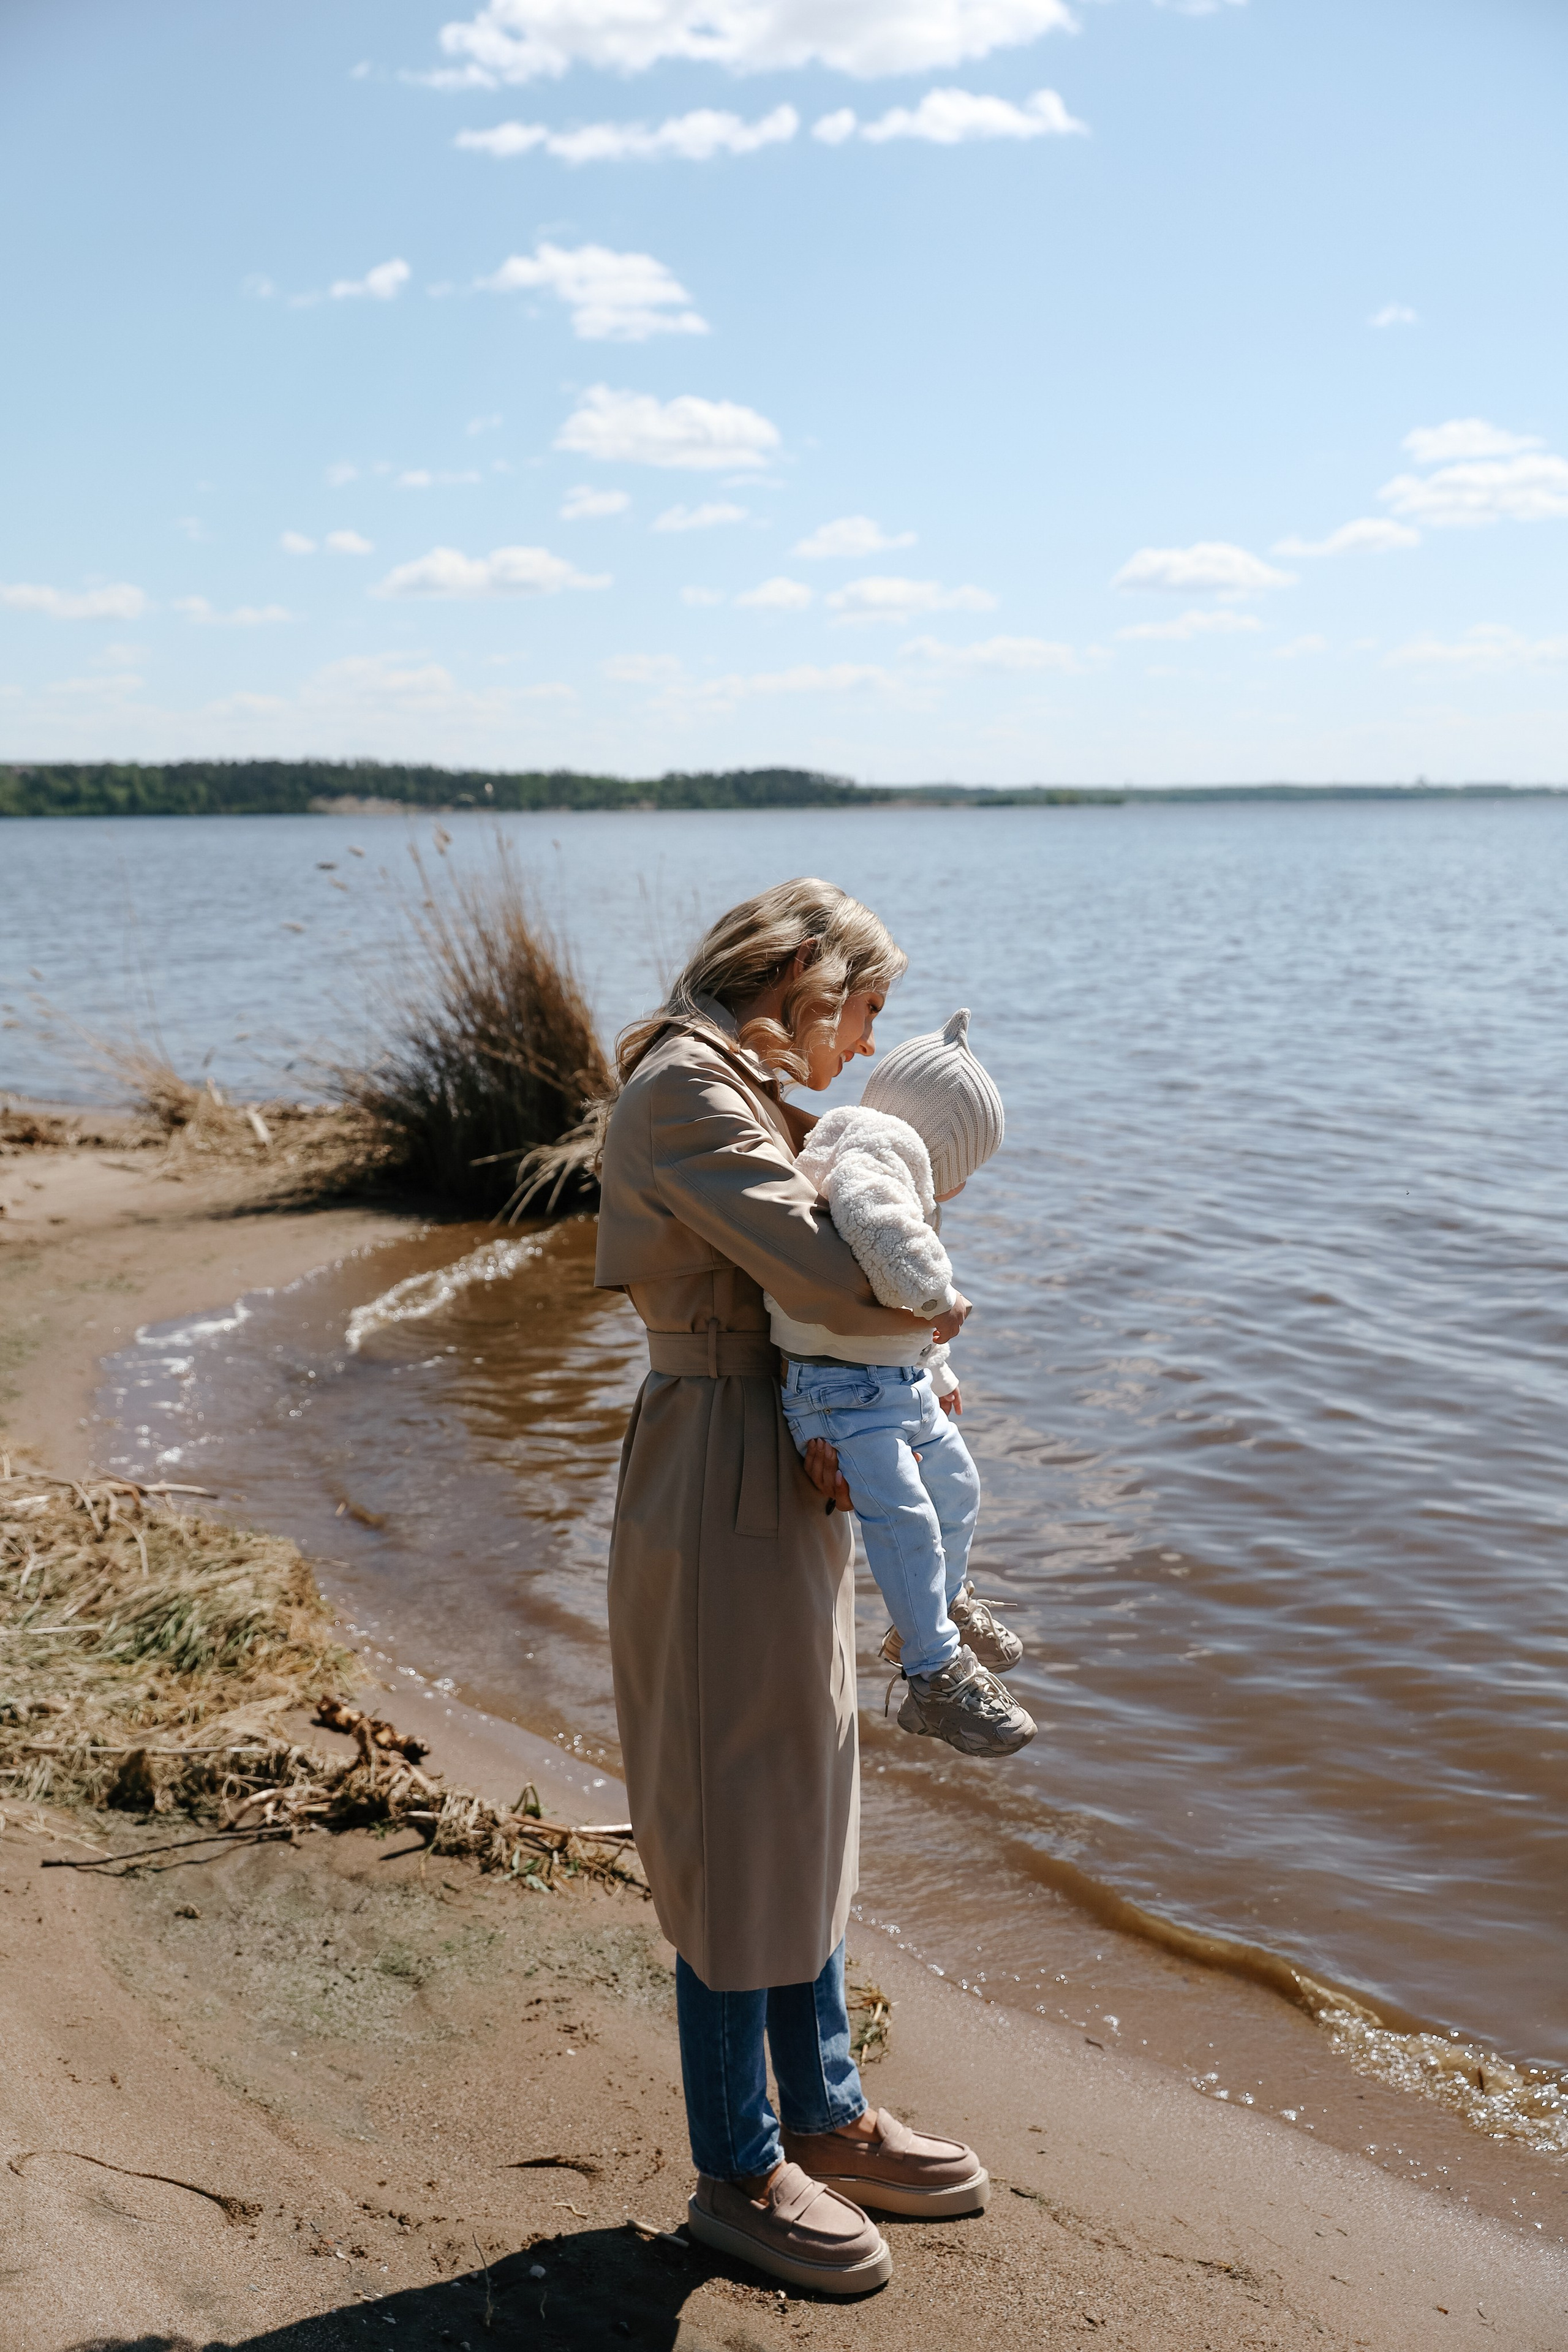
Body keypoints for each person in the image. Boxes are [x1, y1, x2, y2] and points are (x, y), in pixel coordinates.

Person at [595, 879, 991, 2299]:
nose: (864, 1043)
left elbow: (849, 1267)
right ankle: (738, 2162)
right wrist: (917, 1291)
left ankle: (822, 2110)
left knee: (804, 1795)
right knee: (733, 1804)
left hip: (775, 1449)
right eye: (864, 1010)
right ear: (803, 983)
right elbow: (850, 1272)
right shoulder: (688, 1091)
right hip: (712, 1467)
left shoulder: (743, 1089)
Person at [769, 1008, 1035, 1757]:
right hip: (837, 1391)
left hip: (890, 1379)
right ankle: (934, 1674)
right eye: (965, 1169)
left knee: (958, 1486)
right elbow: (876, 1226)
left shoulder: (879, 1145)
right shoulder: (878, 1150)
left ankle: (937, 1607)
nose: (956, 1189)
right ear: (945, 1143)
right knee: (905, 1518)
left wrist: (938, 1366)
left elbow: (881, 1286)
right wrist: (939, 1296)